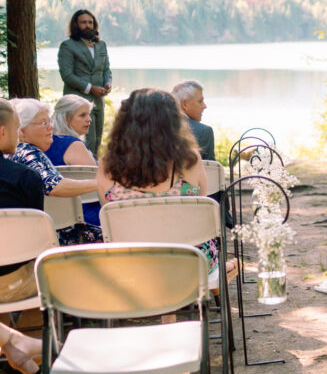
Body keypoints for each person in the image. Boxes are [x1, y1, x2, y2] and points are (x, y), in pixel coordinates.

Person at [97, 89, 229, 283]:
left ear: (125, 121)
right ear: (173, 121)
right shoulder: (190, 160)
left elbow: (107, 212)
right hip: (188, 260)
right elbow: (201, 213)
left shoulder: (107, 164)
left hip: (129, 262)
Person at [8, 99, 101, 245]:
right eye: (44, 123)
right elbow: (53, 185)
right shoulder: (28, 152)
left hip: (23, 232)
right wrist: (100, 183)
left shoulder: (11, 153)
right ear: (22, 130)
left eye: (50, 121)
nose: (51, 127)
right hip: (49, 236)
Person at [0, 99, 47, 374]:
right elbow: (35, 244)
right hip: (18, 284)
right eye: (17, 129)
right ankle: (22, 343)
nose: (19, 135)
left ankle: (12, 346)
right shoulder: (25, 177)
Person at [57, 9, 111, 155]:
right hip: (78, 103)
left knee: (97, 143)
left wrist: (108, 83)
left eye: (90, 22)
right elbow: (67, 75)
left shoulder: (101, 45)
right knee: (85, 144)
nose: (88, 25)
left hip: (98, 101)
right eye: (83, 22)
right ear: (76, 25)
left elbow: (106, 69)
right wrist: (90, 88)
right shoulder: (67, 46)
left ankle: (94, 173)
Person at [172, 80, 215, 161]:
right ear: (185, 104)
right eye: (200, 101)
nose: (204, 106)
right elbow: (210, 171)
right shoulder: (204, 131)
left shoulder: (157, 126)